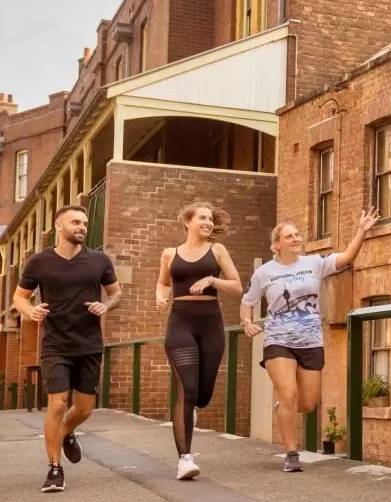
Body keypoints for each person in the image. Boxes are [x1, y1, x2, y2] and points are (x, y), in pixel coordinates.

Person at [241, 209, 379, 472]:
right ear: (276, 245)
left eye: (297, 235)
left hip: (311, 341)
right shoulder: (265, 273)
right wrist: (247, 322)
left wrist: (362, 230)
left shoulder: (315, 263)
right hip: (278, 340)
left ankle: (283, 406)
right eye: (289, 236)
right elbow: (247, 302)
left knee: (307, 403)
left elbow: (348, 257)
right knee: (290, 392)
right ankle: (291, 454)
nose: (296, 238)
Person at [13, 205, 122, 493]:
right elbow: (19, 298)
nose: (82, 227)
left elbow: (116, 293)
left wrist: (105, 305)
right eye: (75, 222)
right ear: (59, 226)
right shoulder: (39, 262)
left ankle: (67, 432)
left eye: (85, 223)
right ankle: (54, 469)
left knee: (84, 408)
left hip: (88, 343)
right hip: (55, 344)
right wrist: (31, 311)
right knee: (57, 402)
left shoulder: (99, 260)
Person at [156, 202, 243, 480]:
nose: (208, 222)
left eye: (211, 219)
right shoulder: (170, 254)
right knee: (188, 390)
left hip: (210, 325)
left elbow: (237, 286)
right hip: (180, 324)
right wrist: (160, 295)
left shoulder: (217, 251)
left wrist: (211, 281)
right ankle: (185, 458)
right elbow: (163, 282)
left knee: (202, 395)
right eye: (202, 218)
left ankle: (192, 411)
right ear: (188, 221)